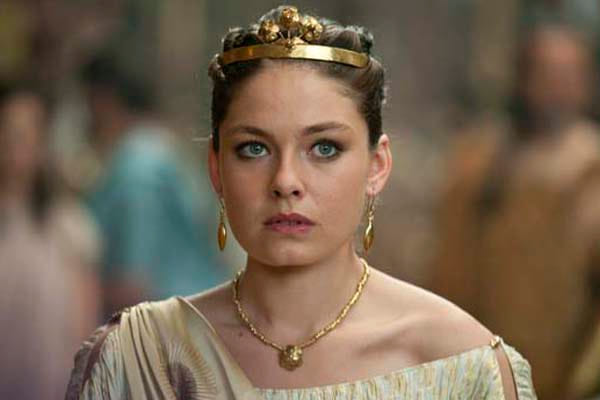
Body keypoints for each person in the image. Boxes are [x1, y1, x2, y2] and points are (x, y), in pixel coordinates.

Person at [66, 6, 537, 399]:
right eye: (254, 148)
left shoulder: (461, 366)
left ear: (377, 166)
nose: (286, 182)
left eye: (324, 148)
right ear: (216, 167)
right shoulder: (140, 358)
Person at [430, 24, 600, 399]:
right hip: (473, 370)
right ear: (522, 79)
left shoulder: (591, 168)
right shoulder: (476, 160)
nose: (557, 88)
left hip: (559, 380)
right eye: (546, 74)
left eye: (569, 75)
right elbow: (446, 265)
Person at [80, 53, 228, 317]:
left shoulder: (138, 168)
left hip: (166, 320)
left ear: (102, 100)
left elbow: (133, 283)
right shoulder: (161, 149)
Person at [0, 83, 101, 399]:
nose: (15, 144)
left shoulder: (69, 224)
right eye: (8, 132)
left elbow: (84, 325)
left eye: (26, 133)